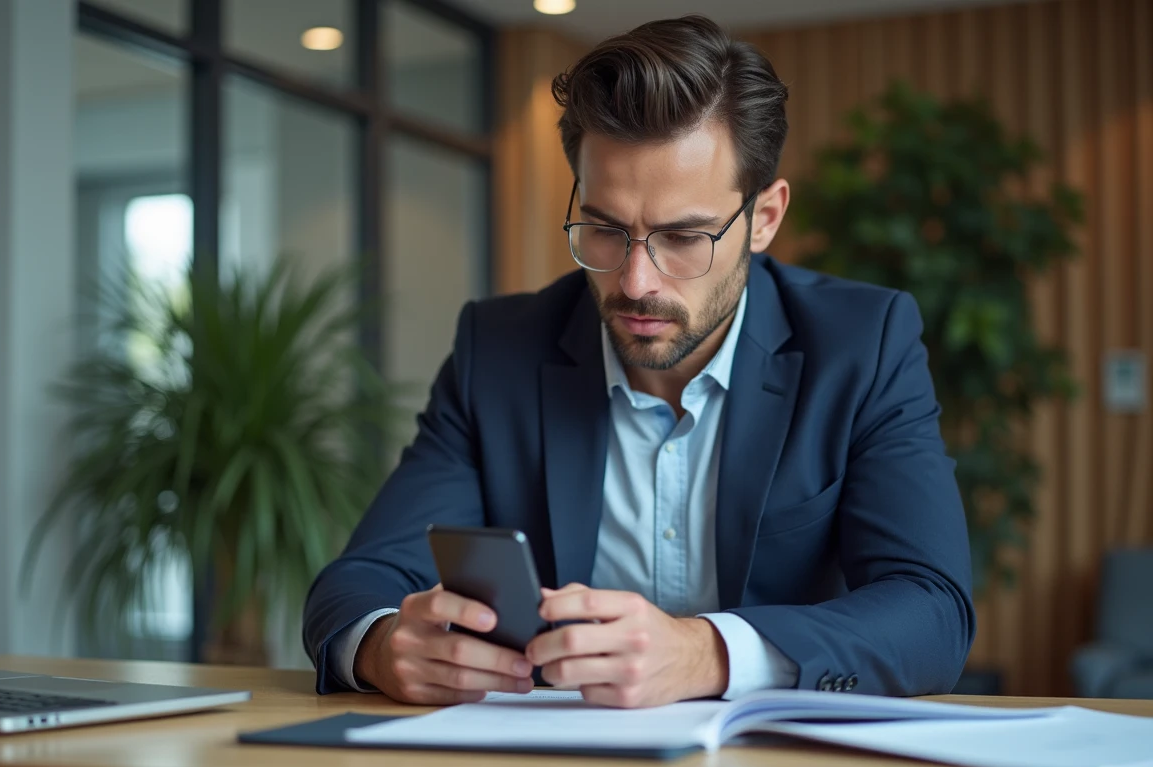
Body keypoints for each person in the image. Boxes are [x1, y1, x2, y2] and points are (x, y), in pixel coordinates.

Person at [303, 14, 975, 709]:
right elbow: (360, 580)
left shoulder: (862, 345)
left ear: (765, 217)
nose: (635, 282)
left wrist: (707, 654)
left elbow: (932, 612)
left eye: (683, 236)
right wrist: (384, 644)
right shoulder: (498, 351)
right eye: (604, 229)